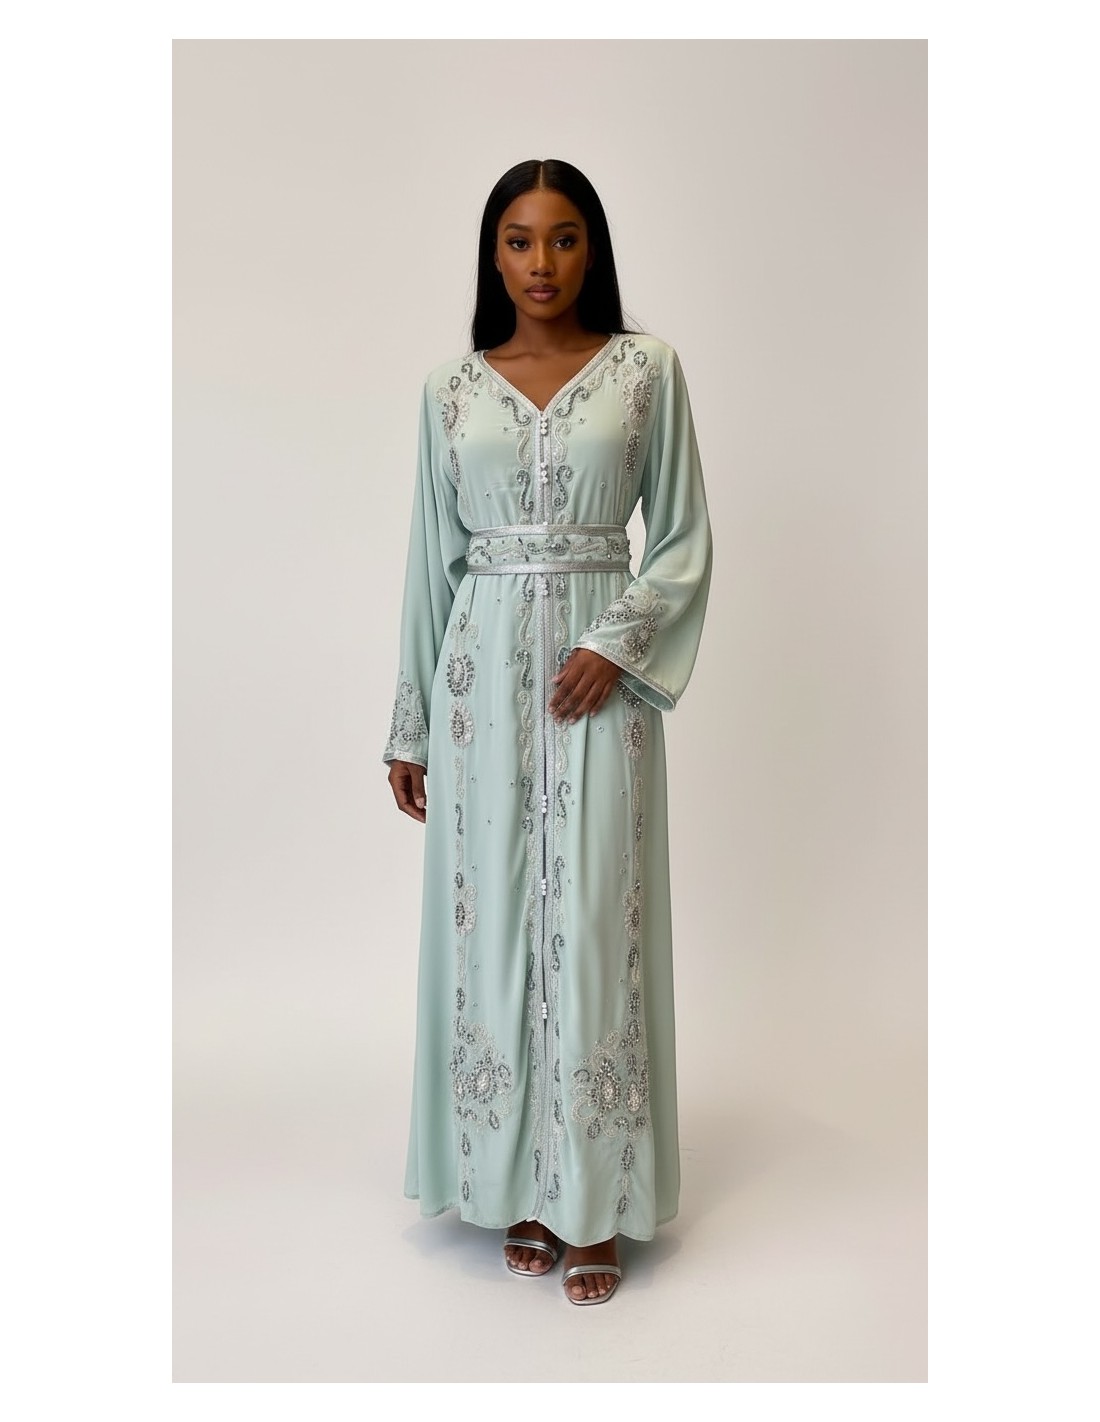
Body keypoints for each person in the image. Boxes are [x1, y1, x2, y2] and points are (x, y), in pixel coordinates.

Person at [383, 158, 712, 1305]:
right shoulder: (448, 391)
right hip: (479, 690)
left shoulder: (644, 372)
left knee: (595, 915)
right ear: (493, 253)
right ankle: (513, 1183)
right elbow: (431, 561)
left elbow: (680, 535)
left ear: (592, 249)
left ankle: (597, 1197)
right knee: (490, 927)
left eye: (563, 239)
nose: (540, 263)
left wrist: (614, 642)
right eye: (518, 240)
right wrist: (410, 724)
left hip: (596, 687)